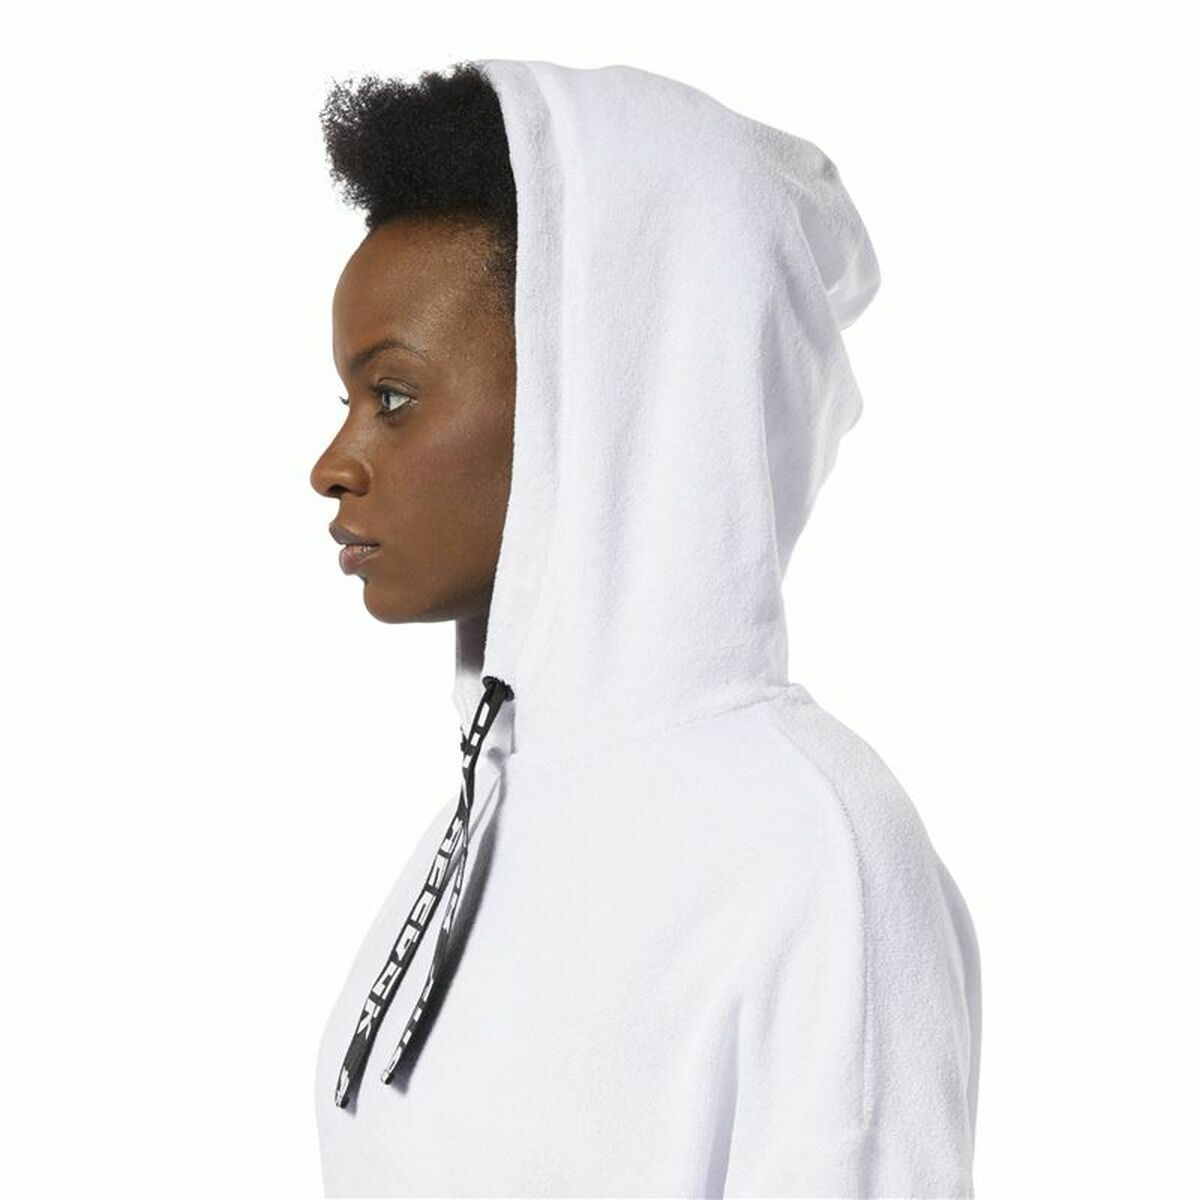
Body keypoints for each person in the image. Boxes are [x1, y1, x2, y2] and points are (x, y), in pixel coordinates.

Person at [309, 58, 981, 1198]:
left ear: (600, 393)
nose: (334, 464)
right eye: (347, 401)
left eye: (395, 398)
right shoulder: (495, 806)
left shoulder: (811, 853)